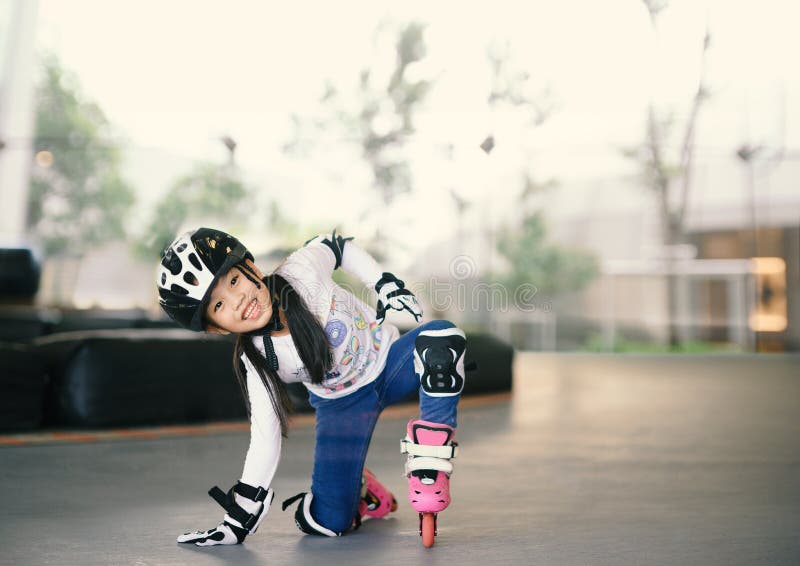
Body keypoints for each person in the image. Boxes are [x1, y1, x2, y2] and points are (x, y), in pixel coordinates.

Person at [156, 227, 466, 546]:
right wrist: (238, 520)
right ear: (215, 327)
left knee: (442, 339)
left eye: (234, 281)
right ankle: (358, 487)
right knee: (327, 524)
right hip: (341, 406)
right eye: (219, 305)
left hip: (390, 363)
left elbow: (338, 246)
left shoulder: (301, 271)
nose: (239, 301)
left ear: (250, 265)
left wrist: (383, 284)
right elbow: (265, 437)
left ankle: (429, 465)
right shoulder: (258, 359)